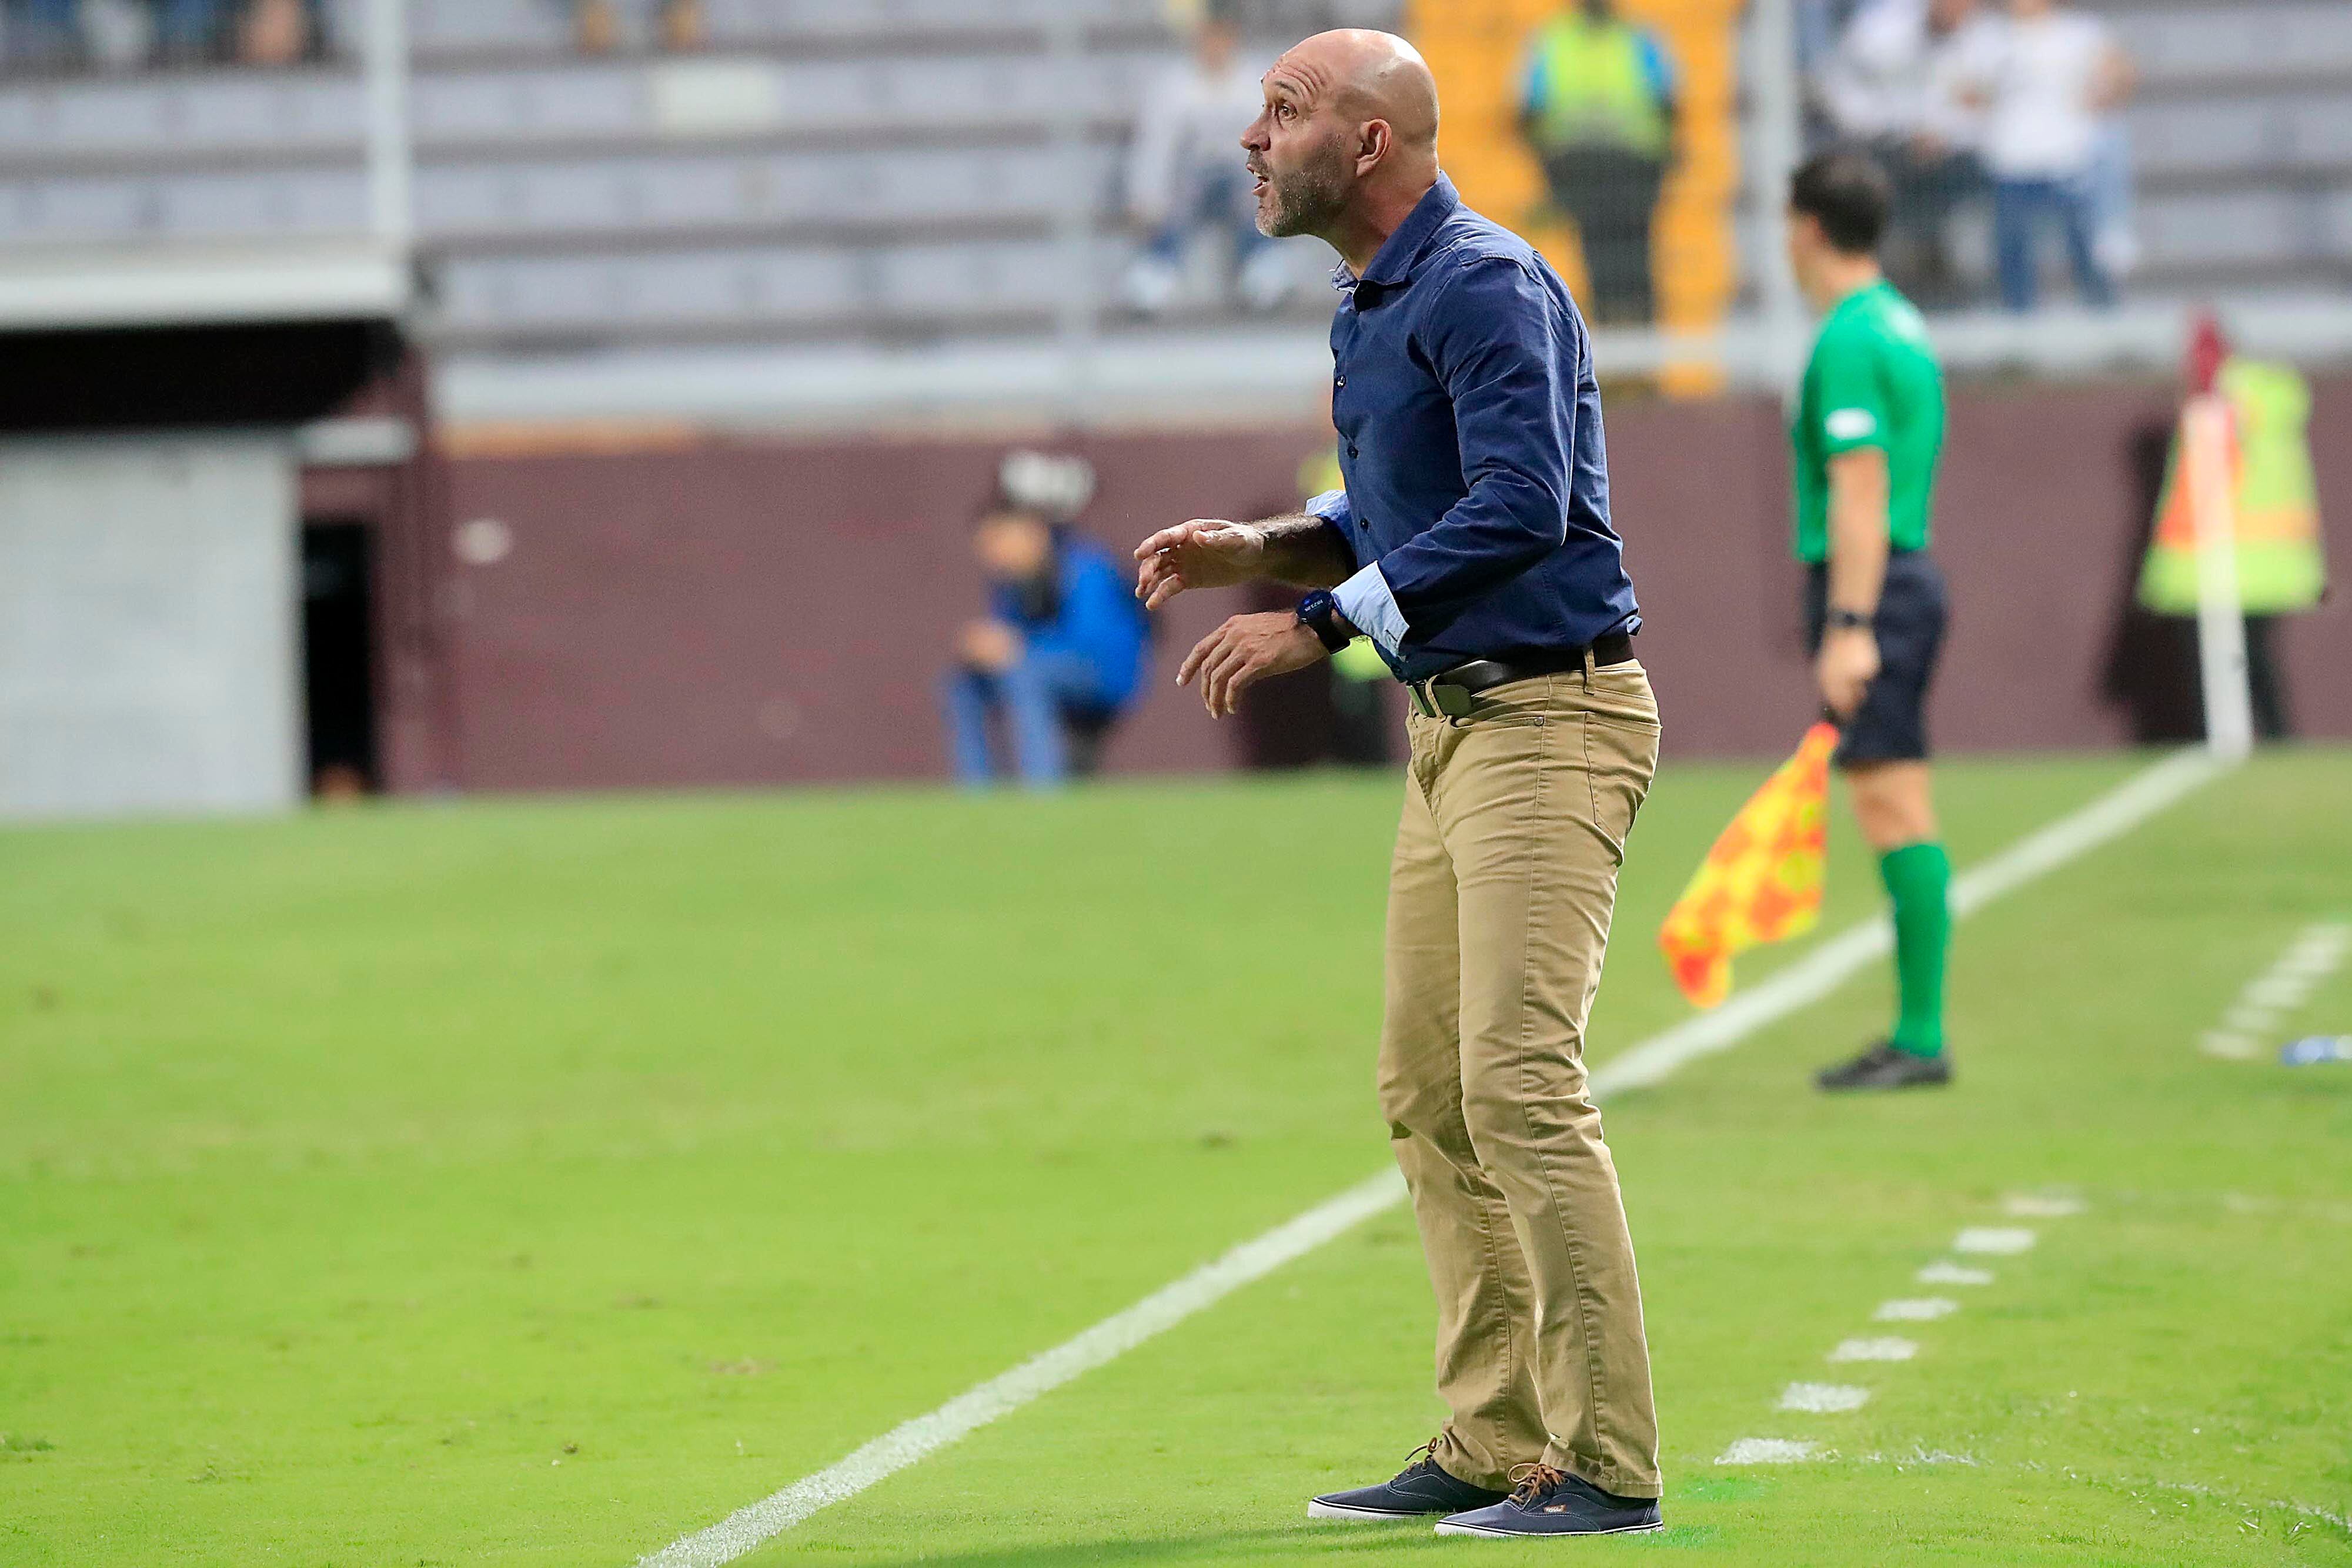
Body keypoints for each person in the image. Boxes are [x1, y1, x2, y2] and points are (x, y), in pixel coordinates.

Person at [1133, 29, 1666, 1538]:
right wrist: (1267, 544)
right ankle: (1493, 1439)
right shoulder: (1379, 299)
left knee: (1517, 1086)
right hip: (1455, 728)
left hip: (1547, 718)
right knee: (1427, 1092)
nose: (1249, 137)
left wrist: (1316, 621)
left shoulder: (1485, 280)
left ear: (1369, 143)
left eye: (1281, 110)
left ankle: (1608, 1464)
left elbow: (1521, 504)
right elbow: (1396, 500)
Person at [1783, 151, 1955, 1092]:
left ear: (1807, 226)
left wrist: (1849, 620)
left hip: (1875, 584)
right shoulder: (1903, 320)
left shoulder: (1849, 336)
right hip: (1904, 574)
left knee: (1892, 801)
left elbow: (1860, 487)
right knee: (1894, 797)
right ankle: (1917, 1031)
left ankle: (1921, 1035)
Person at [941, 456, 1150, 789]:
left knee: (1024, 673)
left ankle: (1042, 792)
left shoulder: (1083, 568)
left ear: (1031, 532)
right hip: (1043, 666)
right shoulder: (1009, 584)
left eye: (1000, 541)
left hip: (1105, 673)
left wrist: (1019, 648)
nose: (994, 555)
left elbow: (1092, 645)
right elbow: (1008, 640)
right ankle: (975, 793)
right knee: (963, 683)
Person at [1953, 0, 2133, 311]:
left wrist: (2102, 95)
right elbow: (1963, 89)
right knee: (2014, 256)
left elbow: (2122, 73)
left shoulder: (2079, 33)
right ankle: (2020, 330)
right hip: (2011, 163)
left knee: (2087, 253)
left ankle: (2106, 320)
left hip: (2069, 159)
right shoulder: (1988, 38)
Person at [1818, 0, 1994, 308]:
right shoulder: (1882, 29)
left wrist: (1944, 133)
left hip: (1957, 161)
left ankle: (1961, 301)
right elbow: (1841, 88)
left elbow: (1992, 112)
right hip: (1887, 151)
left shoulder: (1987, 38)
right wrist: (1896, 129)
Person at [1121, 3, 1292, 316]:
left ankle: (1264, 266)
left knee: (1254, 186)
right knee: (1180, 193)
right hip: (1191, 182)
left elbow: (1274, 143)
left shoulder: (1256, 83)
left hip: (1243, 179)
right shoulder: (1174, 87)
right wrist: (1146, 198)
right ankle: (1158, 270)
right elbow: (1157, 147)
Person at [1515, 0, 1679, 326]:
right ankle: (1611, 336)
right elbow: (1528, 113)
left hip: (1631, 173)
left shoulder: (1639, 39)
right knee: (1603, 265)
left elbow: (1669, 107)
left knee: (1633, 265)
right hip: (1581, 174)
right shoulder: (1553, 41)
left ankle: (1637, 341)